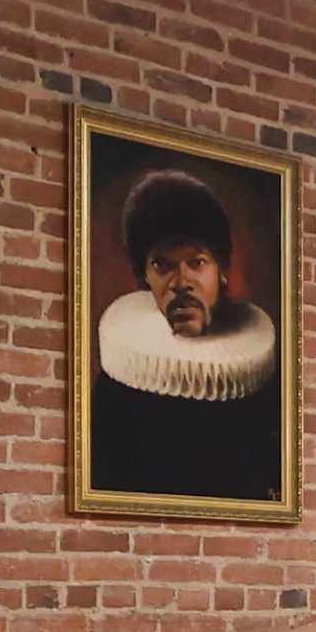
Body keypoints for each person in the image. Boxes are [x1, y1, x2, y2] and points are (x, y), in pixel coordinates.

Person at [90, 166, 283, 502]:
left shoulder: (268, 384)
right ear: (143, 277)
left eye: (197, 262)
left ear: (221, 270)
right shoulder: (116, 388)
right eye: (162, 265)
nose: (181, 282)